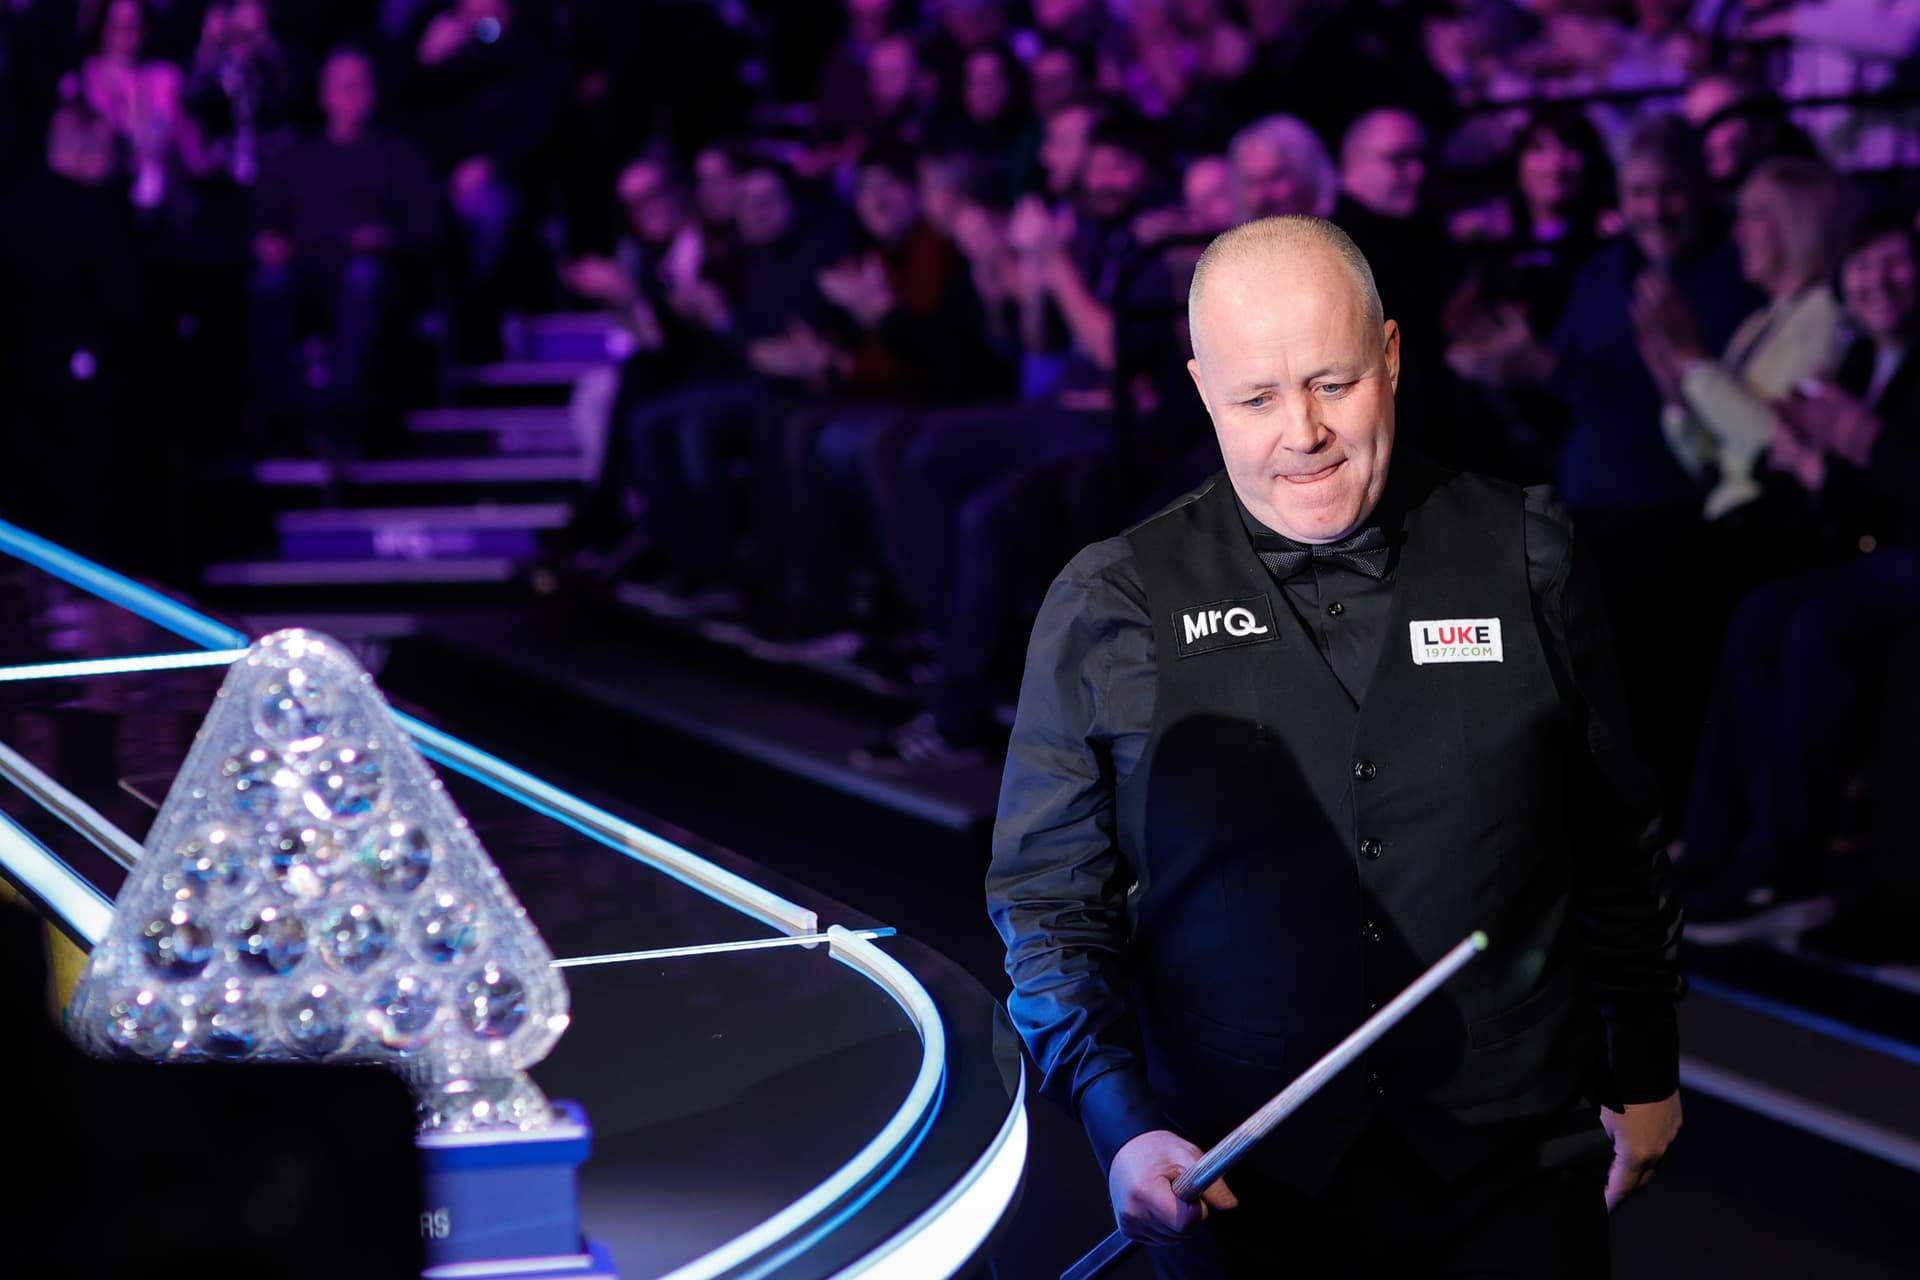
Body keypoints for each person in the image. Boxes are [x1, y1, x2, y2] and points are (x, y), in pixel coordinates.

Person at [986, 215, 1684, 1277]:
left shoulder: (1531, 553)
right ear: (1201, 388)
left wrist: (1647, 1065)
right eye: (1257, 396)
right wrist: (1120, 1119)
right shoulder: (1110, 602)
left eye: (1333, 381)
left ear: (1392, 355)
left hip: (1515, 1166)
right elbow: (1048, 903)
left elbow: (1618, 840)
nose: (1301, 430)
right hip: (1238, 1185)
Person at [1681, 208, 1920, 947]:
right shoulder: (1851, 367)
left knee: (1821, 622)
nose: (1876, 281)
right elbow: (1854, 503)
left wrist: (1866, 444)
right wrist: (1811, 466)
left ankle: (1788, 863)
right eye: (1861, 267)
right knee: (1763, 613)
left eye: (1893, 263)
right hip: (1870, 555)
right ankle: (1717, 847)